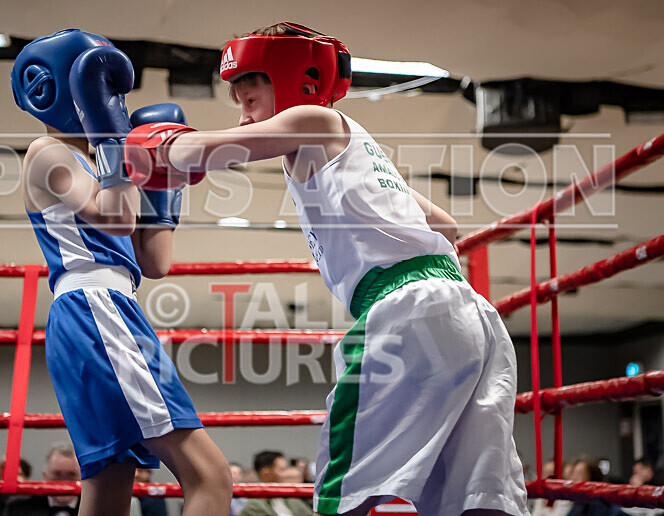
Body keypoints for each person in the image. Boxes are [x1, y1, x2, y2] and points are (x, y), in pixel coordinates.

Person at [75, 21, 529, 516]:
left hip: (404, 308)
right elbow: (445, 224)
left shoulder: (313, 118)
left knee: (345, 484)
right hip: (472, 315)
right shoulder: (356, 144)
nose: (245, 115)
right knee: (474, 492)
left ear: (292, 82)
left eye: (250, 100)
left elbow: (200, 151)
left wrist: (143, 145)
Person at [11, 28, 231, 516]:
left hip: (108, 309)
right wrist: (116, 142)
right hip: (95, 308)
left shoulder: (100, 167)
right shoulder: (45, 152)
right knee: (209, 475)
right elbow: (116, 218)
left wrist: (161, 183)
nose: (113, 97)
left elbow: (154, 263)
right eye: (104, 85)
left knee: (110, 485)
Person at [4, 444, 81, 516]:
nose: (64, 481)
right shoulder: (19, 507)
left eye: (71, 474)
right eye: (57, 474)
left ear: (82, 477)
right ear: (45, 476)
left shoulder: (92, 507)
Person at [239, 451, 312, 516]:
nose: (287, 474)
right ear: (266, 474)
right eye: (282, 469)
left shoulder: (292, 500)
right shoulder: (253, 506)